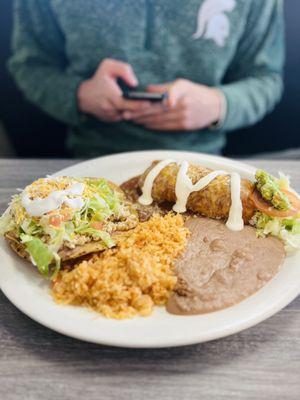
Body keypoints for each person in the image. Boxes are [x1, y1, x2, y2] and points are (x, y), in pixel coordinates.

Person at [8, 0, 284, 157]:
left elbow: (266, 78)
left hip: (201, 162)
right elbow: (30, 65)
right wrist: (79, 95)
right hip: (93, 159)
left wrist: (218, 104)